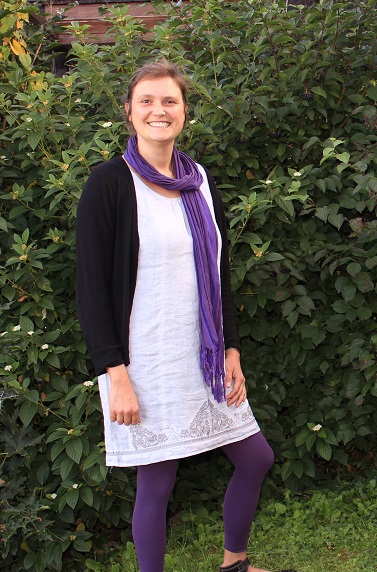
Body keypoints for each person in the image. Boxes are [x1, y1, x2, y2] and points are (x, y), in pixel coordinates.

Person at [76, 60, 294, 572]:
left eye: (169, 101)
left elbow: (220, 272)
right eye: (147, 101)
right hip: (143, 361)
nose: (159, 110)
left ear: (184, 111)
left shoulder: (199, 181)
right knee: (157, 480)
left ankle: (234, 563)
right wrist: (116, 375)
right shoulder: (108, 184)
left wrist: (232, 349)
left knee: (256, 458)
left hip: (205, 354)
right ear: (128, 111)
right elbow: (90, 289)